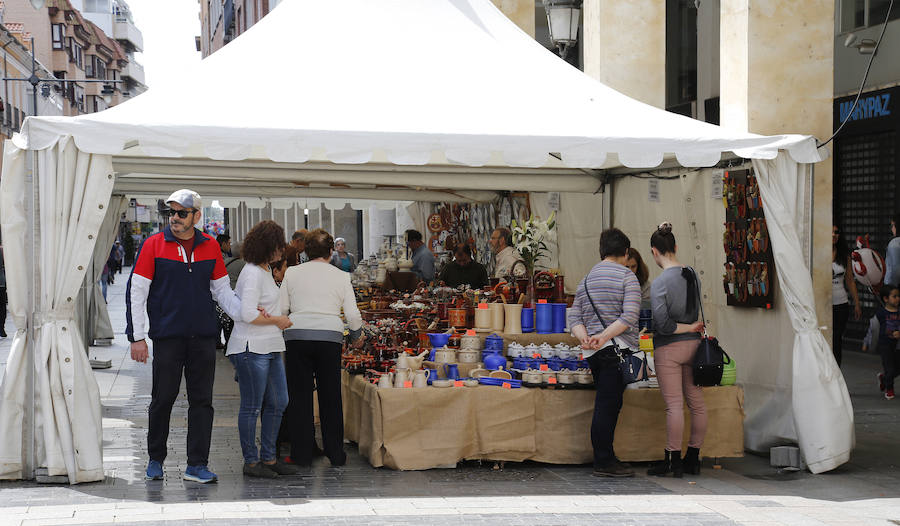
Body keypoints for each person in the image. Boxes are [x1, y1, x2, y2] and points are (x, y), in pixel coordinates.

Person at [126, 189, 244, 484]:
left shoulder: (210, 248)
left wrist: (249, 316)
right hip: (168, 338)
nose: (174, 219)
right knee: (162, 399)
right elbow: (136, 293)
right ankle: (155, 459)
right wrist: (136, 337)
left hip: (203, 338)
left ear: (196, 216)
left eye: (181, 213)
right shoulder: (153, 245)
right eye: (171, 213)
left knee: (202, 401)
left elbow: (222, 293)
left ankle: (197, 465)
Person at [279, 229, 364, 466]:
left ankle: (301, 453)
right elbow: (352, 314)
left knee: (299, 397)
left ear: (305, 250)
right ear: (330, 251)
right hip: (330, 337)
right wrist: (357, 335)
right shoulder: (341, 276)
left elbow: (282, 309)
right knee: (330, 396)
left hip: (297, 336)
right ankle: (335, 453)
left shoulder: (292, 273)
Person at [566, 228, 640, 478]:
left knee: (606, 403)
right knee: (608, 405)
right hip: (618, 349)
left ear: (602, 250)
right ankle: (604, 460)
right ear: (626, 252)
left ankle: (606, 456)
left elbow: (573, 316)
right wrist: (604, 337)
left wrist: (585, 336)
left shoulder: (586, 279)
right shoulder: (628, 277)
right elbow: (629, 316)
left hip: (593, 353)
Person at [226, 220, 297, 478]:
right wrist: (277, 319)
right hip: (251, 346)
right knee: (252, 406)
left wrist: (273, 317)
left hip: (268, 345)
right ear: (268, 246)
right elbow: (246, 313)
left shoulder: (264, 270)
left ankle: (268, 458)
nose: (282, 250)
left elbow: (254, 308)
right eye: (278, 245)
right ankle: (252, 461)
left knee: (279, 401)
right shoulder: (254, 272)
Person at [645, 222, 706, 478]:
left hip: (669, 349)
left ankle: (672, 461)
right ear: (676, 247)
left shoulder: (659, 284)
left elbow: (664, 325)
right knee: (697, 404)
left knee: (674, 406)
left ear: (654, 252)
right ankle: (693, 457)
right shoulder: (692, 274)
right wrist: (693, 327)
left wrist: (685, 327)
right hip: (695, 346)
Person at [832, 225, 861, 366]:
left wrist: (857, 303)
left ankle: (837, 374)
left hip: (841, 303)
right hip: (823, 304)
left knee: (837, 339)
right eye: (830, 232)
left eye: (836, 232)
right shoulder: (818, 253)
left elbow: (850, 280)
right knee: (825, 340)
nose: (833, 235)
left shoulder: (844, 255)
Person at [871, 285, 900, 400]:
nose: (898, 298)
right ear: (886, 299)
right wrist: (868, 343)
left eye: (898, 296)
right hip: (885, 345)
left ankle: (884, 378)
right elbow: (873, 328)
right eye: (894, 296)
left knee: (897, 368)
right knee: (890, 368)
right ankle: (889, 389)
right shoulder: (880, 313)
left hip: (897, 345)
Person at [0, 245, 7, 337]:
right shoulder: (2, 250)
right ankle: (1, 328)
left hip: (1, 283)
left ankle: (1, 328)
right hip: (1, 283)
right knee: (2, 306)